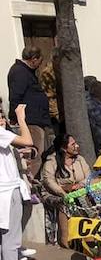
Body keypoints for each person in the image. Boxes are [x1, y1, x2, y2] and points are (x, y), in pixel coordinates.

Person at [0, 102, 39, 260]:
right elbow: (27, 140)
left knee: (10, 236)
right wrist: (21, 117)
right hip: (5, 192)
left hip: (11, 189)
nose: (2, 120)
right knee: (10, 237)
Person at [7, 47, 51, 175]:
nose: (40, 64)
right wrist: (17, 118)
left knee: (37, 153)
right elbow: (15, 97)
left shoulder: (25, 72)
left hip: (35, 120)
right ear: (33, 59)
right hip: (29, 122)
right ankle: (31, 182)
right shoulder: (20, 72)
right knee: (33, 154)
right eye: (40, 61)